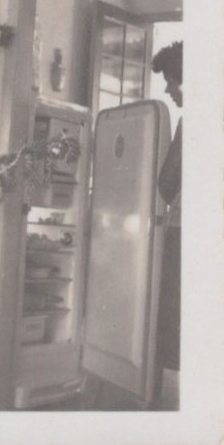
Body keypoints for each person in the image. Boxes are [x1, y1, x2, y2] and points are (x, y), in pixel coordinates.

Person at [151, 40, 182, 403]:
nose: (168, 90)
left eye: (171, 82)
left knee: (171, 313)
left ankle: (157, 398)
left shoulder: (192, 121)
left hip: (184, 231)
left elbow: (167, 183)